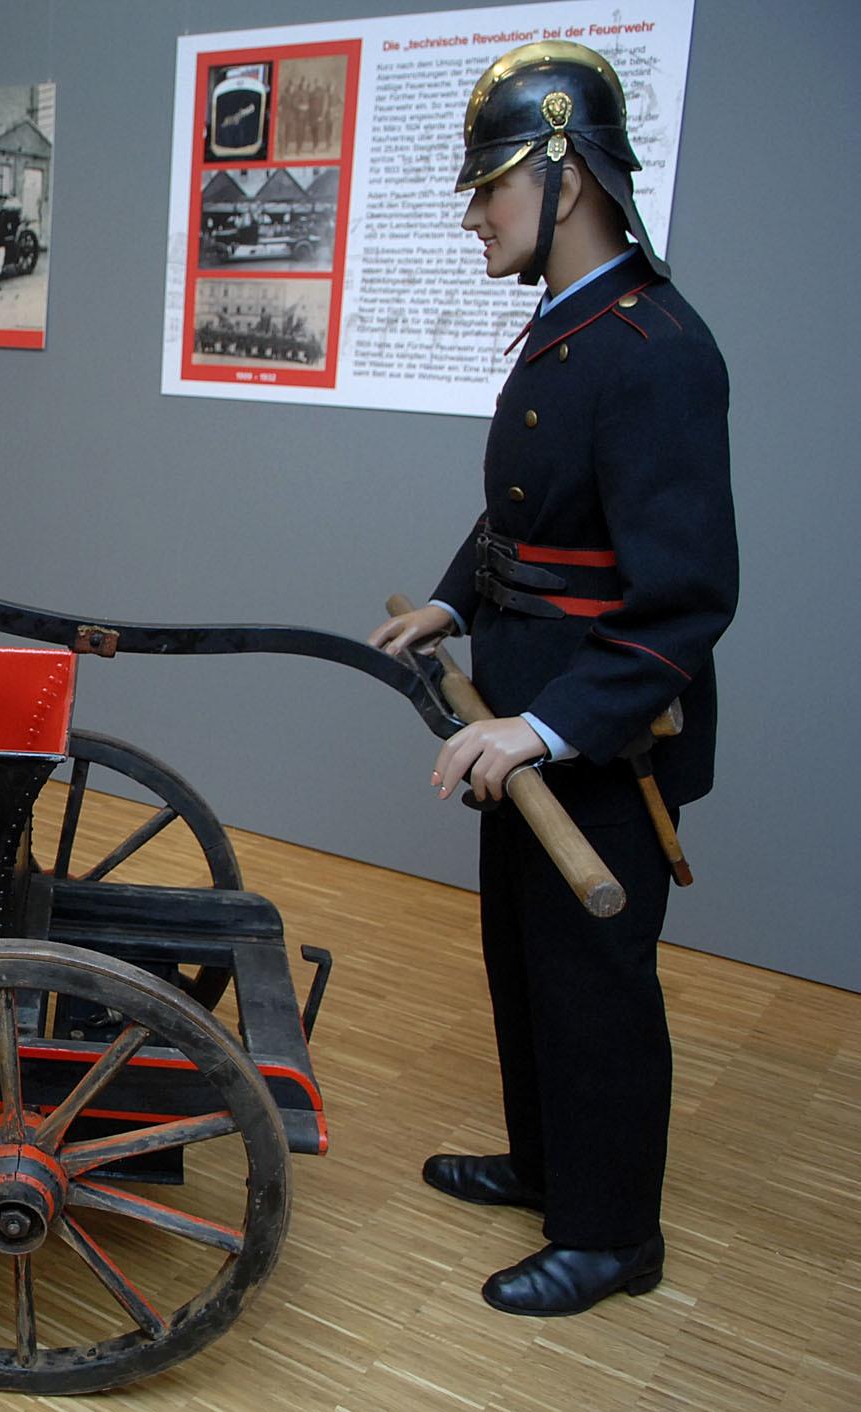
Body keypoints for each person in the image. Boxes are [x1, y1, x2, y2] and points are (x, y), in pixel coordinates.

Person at [369, 42, 737, 1316]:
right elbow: (526, 520)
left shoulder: (653, 350)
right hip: (521, 714)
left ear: (562, 171)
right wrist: (449, 603)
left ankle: (610, 1233)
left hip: (602, 731)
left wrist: (544, 725)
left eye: (487, 186)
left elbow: (683, 599)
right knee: (522, 963)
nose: (473, 213)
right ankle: (545, 1165)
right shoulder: (570, 328)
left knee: (595, 988)